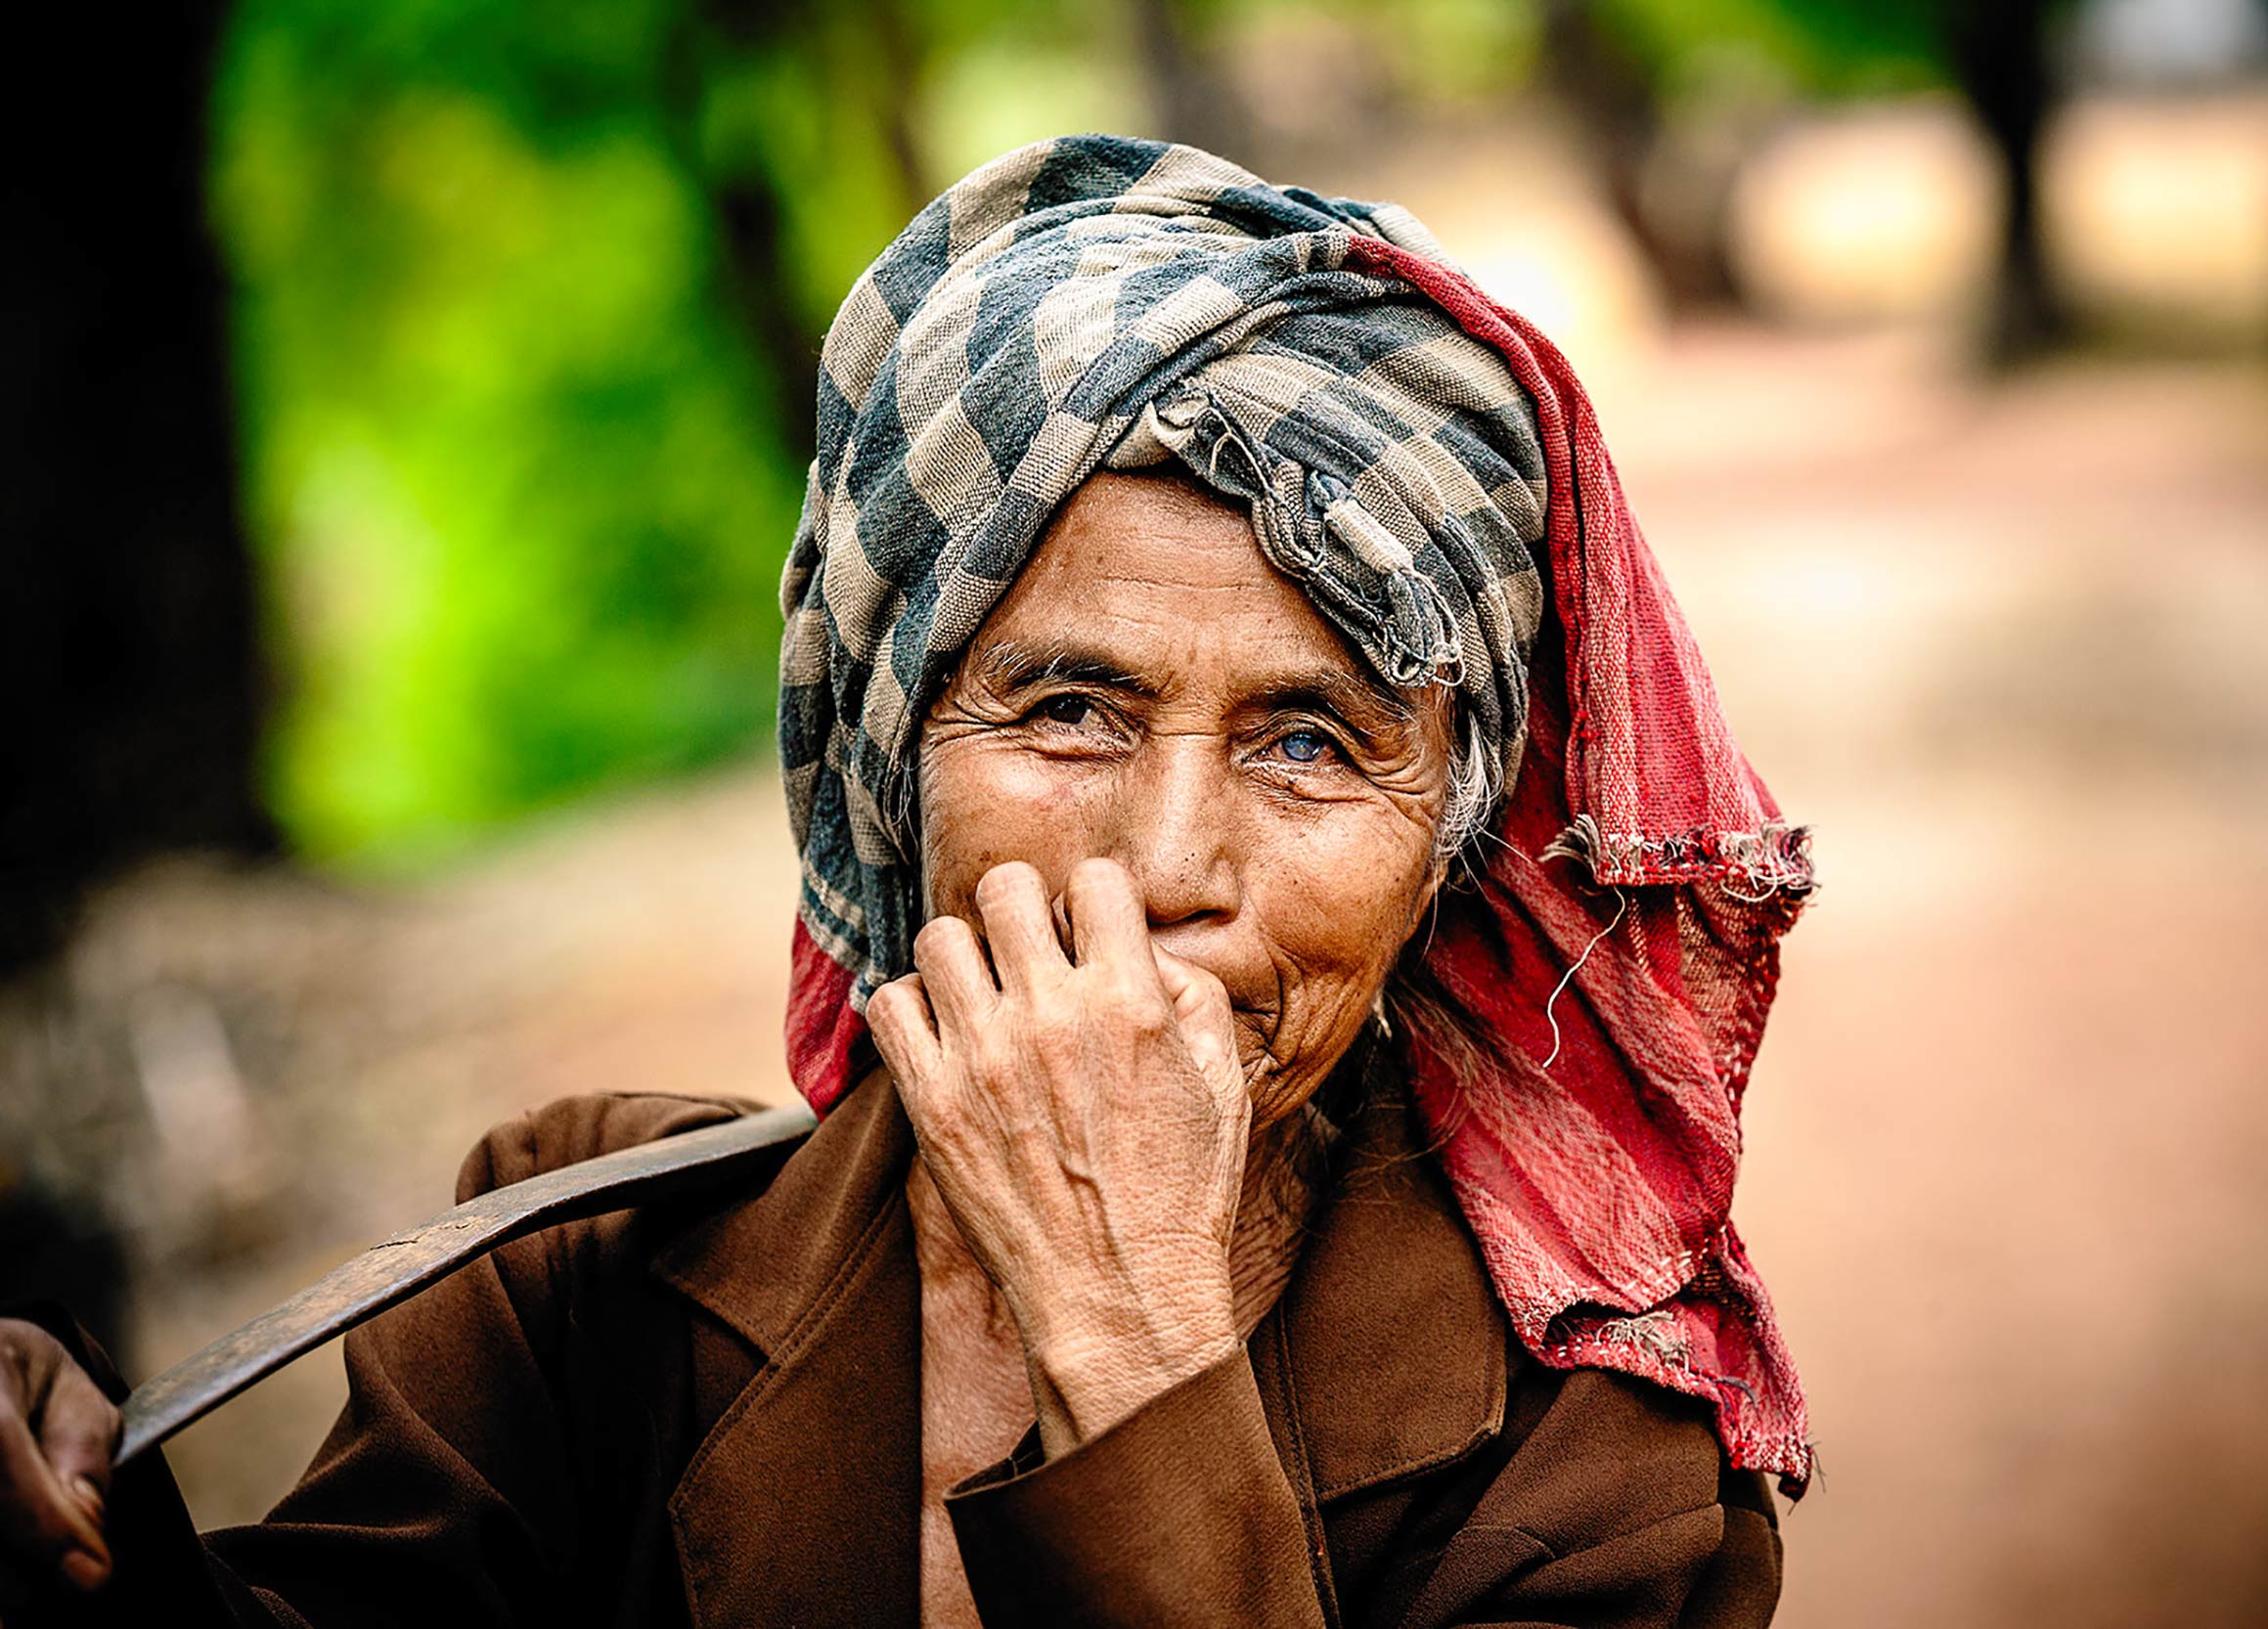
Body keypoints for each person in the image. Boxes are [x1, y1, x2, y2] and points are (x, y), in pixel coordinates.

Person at [0, 134, 1816, 1628]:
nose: (1170, 867)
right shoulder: (573, 1275)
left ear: (1446, 846)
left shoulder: (1601, 1470)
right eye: (1070, 707)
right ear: (890, 759)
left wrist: (1133, 1337)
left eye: (1313, 742)